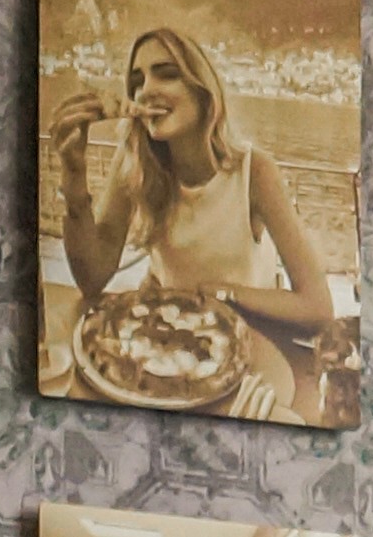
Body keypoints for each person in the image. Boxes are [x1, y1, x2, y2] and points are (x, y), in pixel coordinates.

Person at [48, 23, 337, 405]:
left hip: (246, 345)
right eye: (136, 81)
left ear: (203, 90)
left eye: (166, 73)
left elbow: (318, 307)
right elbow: (91, 278)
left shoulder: (254, 172)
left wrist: (224, 294)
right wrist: (73, 176)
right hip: (157, 344)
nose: (145, 90)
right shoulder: (134, 164)